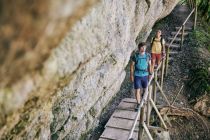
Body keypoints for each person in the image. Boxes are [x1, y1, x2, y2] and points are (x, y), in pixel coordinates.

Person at [130, 42, 152, 111]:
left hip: (145, 75)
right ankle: (138, 104)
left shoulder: (148, 55)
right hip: (137, 75)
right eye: (142, 47)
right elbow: (131, 66)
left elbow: (150, 65)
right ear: (139, 48)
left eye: (144, 47)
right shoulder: (135, 56)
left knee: (146, 90)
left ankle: (144, 100)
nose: (144, 48)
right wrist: (131, 75)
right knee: (137, 90)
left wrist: (150, 73)